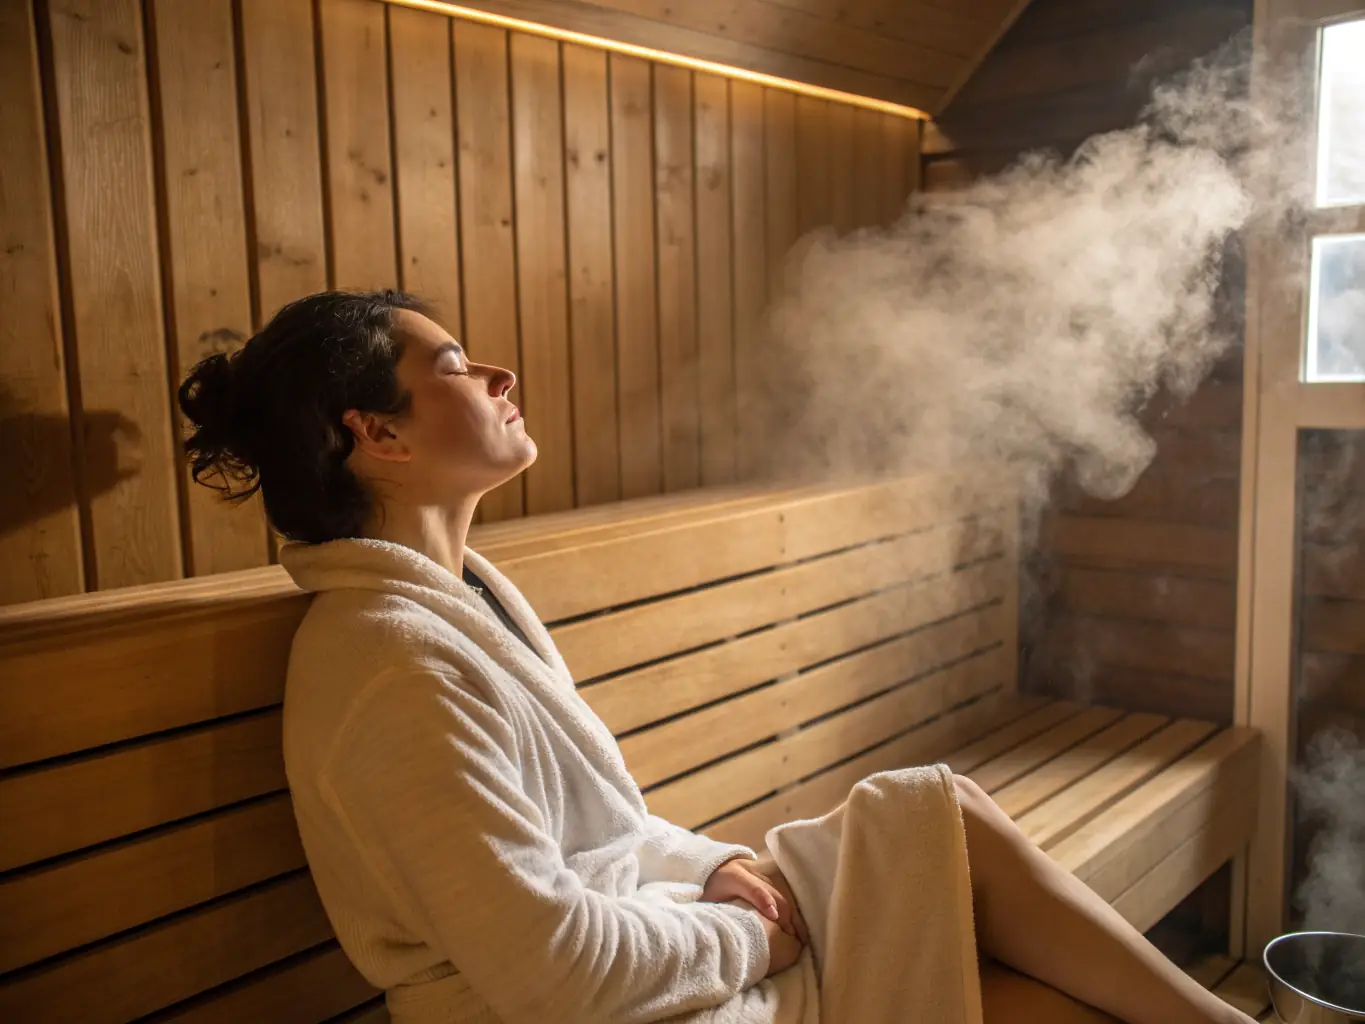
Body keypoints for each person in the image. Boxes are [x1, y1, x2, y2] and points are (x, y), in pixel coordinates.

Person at [178, 289, 1253, 1024]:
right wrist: (744, 933)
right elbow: (547, 971)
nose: (499, 373)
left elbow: (597, 832)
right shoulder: (387, 667)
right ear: (384, 436)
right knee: (1037, 984)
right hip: (608, 1007)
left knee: (938, 817)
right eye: (456, 364)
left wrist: (710, 866)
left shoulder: (461, 602)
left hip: (660, 946)